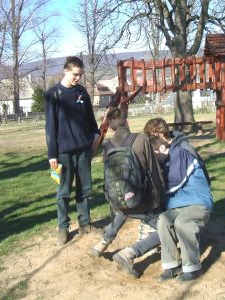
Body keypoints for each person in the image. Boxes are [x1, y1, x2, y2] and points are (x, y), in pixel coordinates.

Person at [91, 107, 166, 278]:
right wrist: (160, 199)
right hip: (143, 203)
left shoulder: (107, 146)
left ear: (110, 127)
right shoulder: (141, 138)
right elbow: (154, 172)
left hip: (119, 202)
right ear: (127, 122)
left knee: (127, 202)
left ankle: (103, 243)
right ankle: (130, 254)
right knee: (168, 228)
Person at [146, 118, 213, 282]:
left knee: (183, 222)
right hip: (178, 203)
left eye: (154, 137)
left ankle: (193, 268)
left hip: (197, 201)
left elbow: (174, 181)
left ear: (161, 135)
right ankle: (172, 265)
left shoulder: (181, 150)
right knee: (163, 220)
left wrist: (158, 166)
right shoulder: (166, 151)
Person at [45, 56, 101, 246]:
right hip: (63, 153)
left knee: (85, 188)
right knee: (63, 191)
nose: (78, 78)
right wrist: (52, 154)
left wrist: (95, 133)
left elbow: (90, 116)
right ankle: (63, 227)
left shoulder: (82, 92)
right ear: (66, 71)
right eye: (75, 74)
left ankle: (85, 223)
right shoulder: (53, 95)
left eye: (80, 75)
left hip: (84, 150)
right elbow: (50, 127)